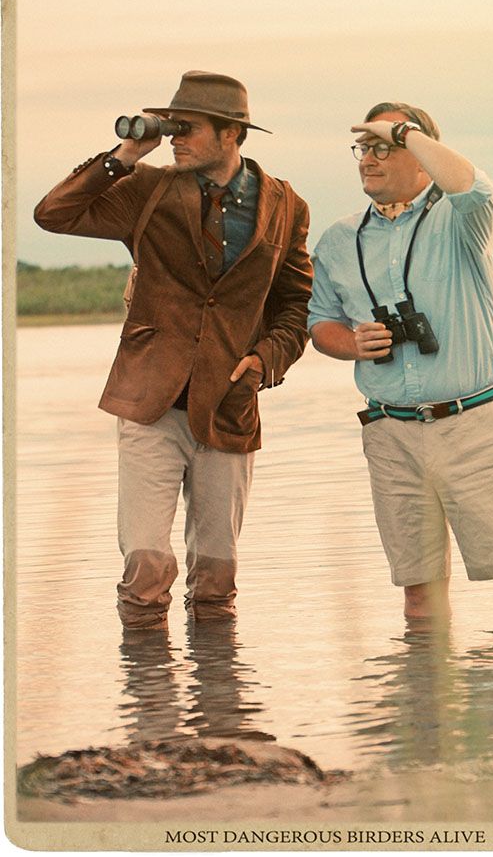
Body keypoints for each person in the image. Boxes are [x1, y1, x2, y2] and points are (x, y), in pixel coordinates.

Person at [34, 70, 312, 630]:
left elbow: (296, 304)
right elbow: (53, 214)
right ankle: (149, 710)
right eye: (172, 125)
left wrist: (266, 361)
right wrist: (125, 155)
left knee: (216, 578)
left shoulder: (285, 206)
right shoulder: (148, 189)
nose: (176, 137)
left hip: (229, 405)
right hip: (148, 402)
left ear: (232, 134)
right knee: (146, 566)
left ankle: (220, 703)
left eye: (188, 127)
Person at [308, 101, 493, 623]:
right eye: (363, 147)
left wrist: (405, 132)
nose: (368, 158)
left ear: (421, 153)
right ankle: (428, 702)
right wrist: (351, 343)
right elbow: (319, 322)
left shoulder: (461, 219)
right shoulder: (339, 239)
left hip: (475, 426)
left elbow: (477, 187)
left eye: (384, 146)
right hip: (391, 434)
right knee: (418, 597)